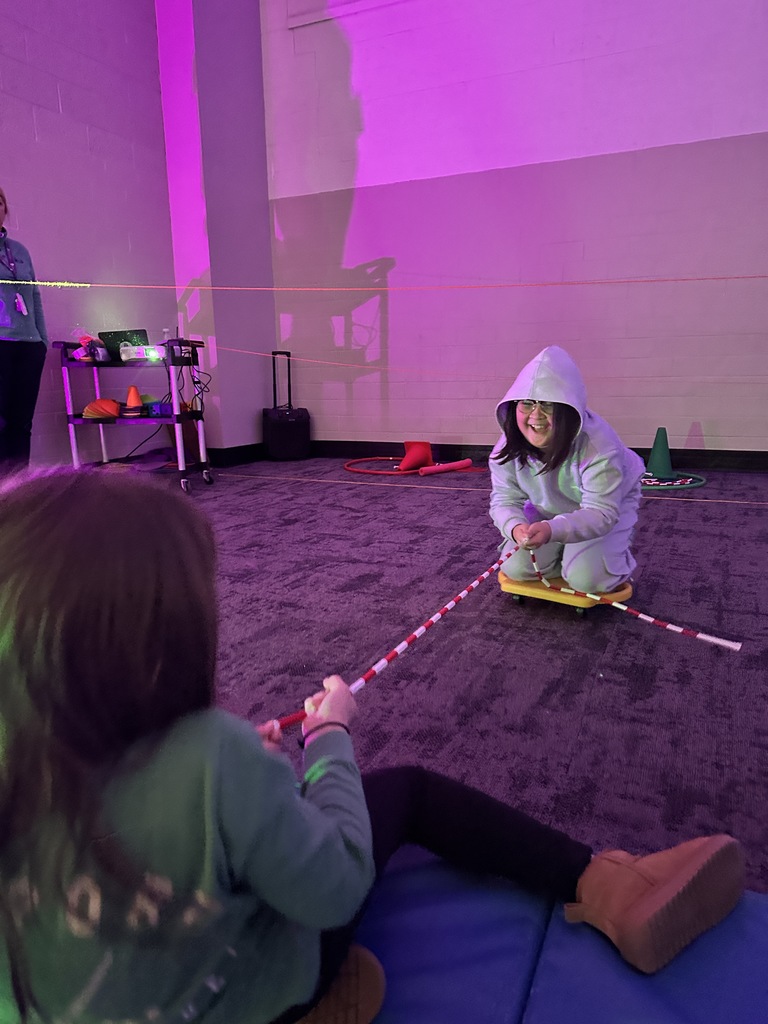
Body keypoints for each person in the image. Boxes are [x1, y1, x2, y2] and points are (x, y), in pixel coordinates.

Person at [0, 470, 744, 1024]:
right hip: (240, 998)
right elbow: (336, 881)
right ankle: (606, 888)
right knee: (407, 791)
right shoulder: (211, 758)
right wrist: (327, 741)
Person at [489, 345, 646, 593]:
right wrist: (516, 527)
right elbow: (504, 500)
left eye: (548, 405)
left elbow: (601, 512)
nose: (536, 415)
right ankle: (566, 553)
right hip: (547, 509)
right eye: (527, 403)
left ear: (568, 409)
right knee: (517, 569)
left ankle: (609, 556)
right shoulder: (505, 449)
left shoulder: (600, 448)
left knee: (587, 581)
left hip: (603, 506)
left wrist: (553, 530)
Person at [0, 187, 48, 470]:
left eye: (0, 202)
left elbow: (35, 296)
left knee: (21, 423)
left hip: (29, 346)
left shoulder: (19, 251)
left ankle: (22, 491)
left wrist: (42, 340)